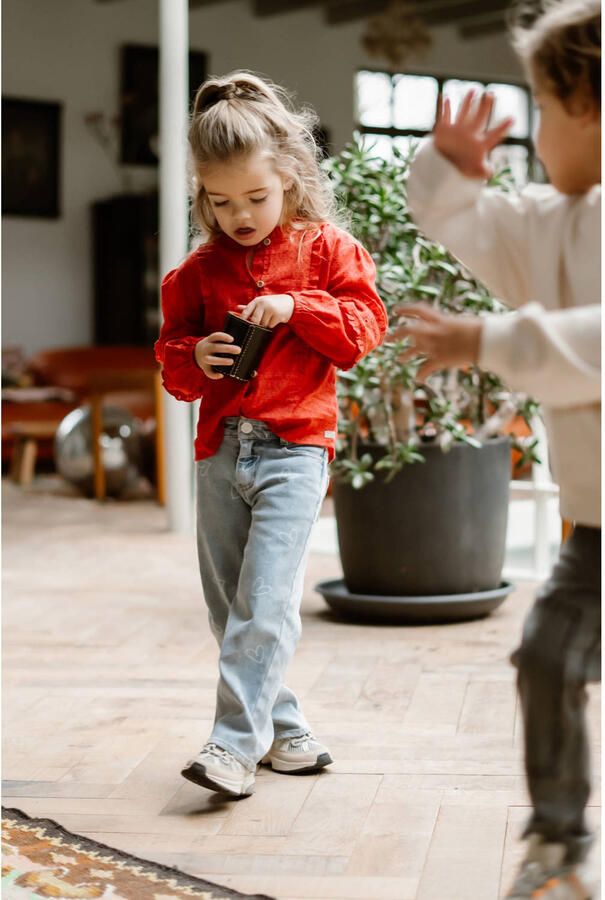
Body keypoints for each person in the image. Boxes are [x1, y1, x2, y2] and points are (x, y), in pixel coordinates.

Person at [397, 2, 601, 897]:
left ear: (589, 104)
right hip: (594, 525)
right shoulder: (550, 219)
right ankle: (556, 846)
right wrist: (446, 173)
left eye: (544, 109)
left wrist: (486, 342)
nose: (538, 131)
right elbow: (465, 227)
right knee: (545, 658)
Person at [155, 71, 387, 799]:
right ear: (200, 193)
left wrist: (294, 307)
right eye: (219, 202)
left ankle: (230, 748)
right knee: (230, 607)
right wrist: (192, 356)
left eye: (255, 198)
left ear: (288, 174)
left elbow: (361, 334)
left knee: (266, 602)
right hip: (218, 453)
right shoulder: (193, 274)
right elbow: (174, 369)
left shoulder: (327, 251)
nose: (239, 215)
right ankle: (285, 733)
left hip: (295, 449)